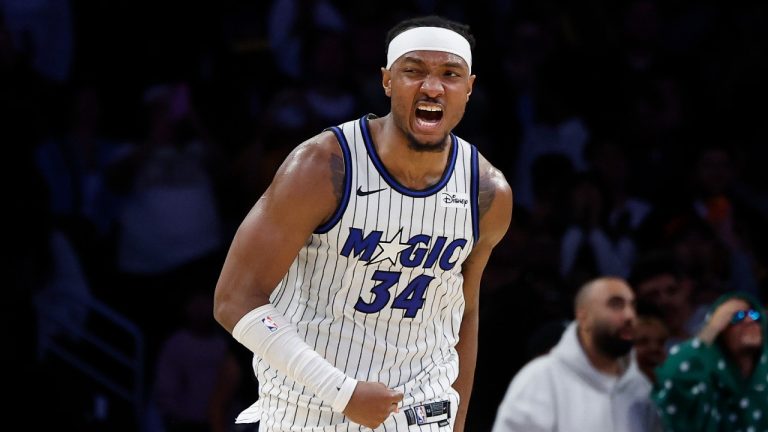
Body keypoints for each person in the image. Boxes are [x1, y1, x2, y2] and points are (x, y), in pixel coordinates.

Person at [213, 15, 513, 432]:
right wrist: (342, 391)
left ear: (469, 89)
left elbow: (465, 312)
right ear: (387, 81)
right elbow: (234, 298)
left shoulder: (488, 192)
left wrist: (457, 423)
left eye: (450, 74)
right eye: (414, 71)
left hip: (421, 413)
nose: (431, 87)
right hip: (308, 410)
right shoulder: (322, 166)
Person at [491, 276, 661, 432]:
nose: (629, 315)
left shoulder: (640, 386)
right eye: (616, 304)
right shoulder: (541, 378)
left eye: (633, 306)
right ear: (583, 316)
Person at [651, 292, 767, 432]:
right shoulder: (706, 387)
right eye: (738, 316)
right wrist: (709, 331)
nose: (749, 321)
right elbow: (674, 382)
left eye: (755, 315)